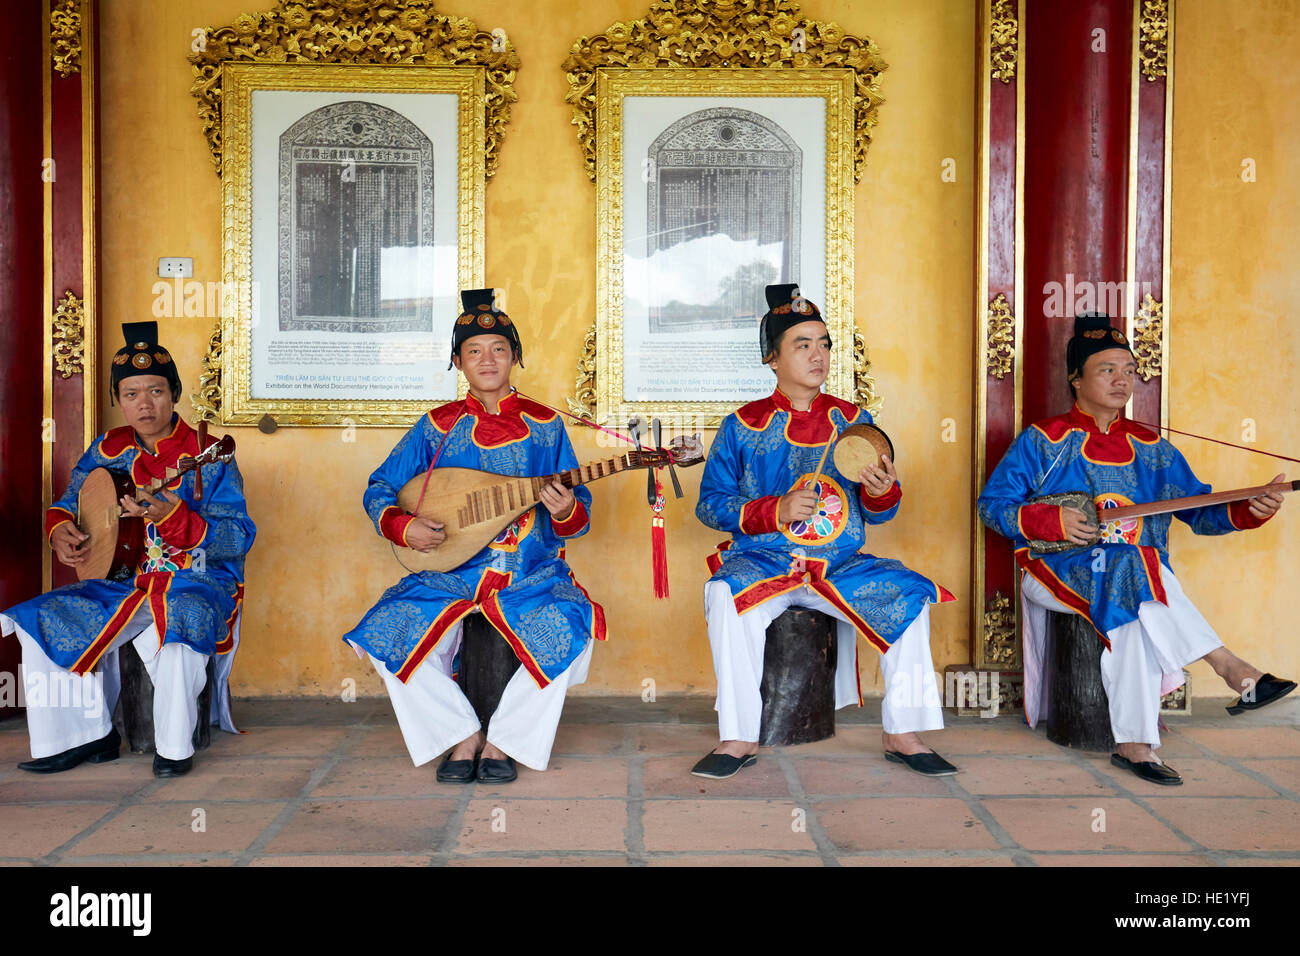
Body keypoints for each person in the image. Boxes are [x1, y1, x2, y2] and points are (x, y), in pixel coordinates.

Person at [978, 312, 1294, 786]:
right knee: (1132, 569)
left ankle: (1135, 746)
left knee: (1128, 599)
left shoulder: (1153, 448)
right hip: (1052, 570)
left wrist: (1254, 509)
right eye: (1107, 369)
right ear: (1076, 380)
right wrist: (1051, 518)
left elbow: (1200, 512)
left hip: (1135, 580)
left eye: (1128, 369)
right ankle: (1230, 666)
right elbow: (993, 505)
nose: (1122, 379)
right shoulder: (1043, 442)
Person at [691, 283, 958, 779]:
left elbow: (878, 513)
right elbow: (710, 505)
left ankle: (903, 732)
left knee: (913, 594)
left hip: (841, 564)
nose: (819, 355)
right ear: (772, 358)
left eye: (825, 343)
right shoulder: (741, 425)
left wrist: (881, 490)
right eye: (802, 344)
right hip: (766, 561)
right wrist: (775, 510)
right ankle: (738, 735)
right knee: (724, 594)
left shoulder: (855, 421)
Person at [343, 289, 605, 784]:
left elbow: (580, 516)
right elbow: (380, 488)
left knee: (573, 633)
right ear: (458, 361)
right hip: (453, 576)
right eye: (474, 351)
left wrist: (568, 508)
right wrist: (404, 526)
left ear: (515, 357)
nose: (488, 359)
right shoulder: (435, 426)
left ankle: (504, 741)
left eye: (499, 349)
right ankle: (462, 736)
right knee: (384, 635)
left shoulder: (546, 426)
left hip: (531, 576)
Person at [1, 321, 255, 778]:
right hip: (119, 584)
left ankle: (174, 749)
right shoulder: (107, 448)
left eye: (156, 391)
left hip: (193, 580)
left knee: (180, 621)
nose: (144, 403)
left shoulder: (208, 452)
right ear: (118, 399)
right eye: (132, 393)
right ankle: (84, 736)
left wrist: (175, 519)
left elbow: (238, 536)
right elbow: (67, 503)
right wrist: (60, 531)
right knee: (38, 618)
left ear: (174, 393)